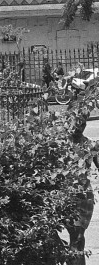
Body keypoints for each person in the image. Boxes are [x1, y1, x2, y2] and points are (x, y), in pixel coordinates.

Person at [66, 112, 99, 265]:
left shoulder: (90, 145)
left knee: (78, 237)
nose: (79, 127)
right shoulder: (60, 145)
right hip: (65, 197)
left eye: (82, 123)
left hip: (84, 197)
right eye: (76, 123)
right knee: (76, 239)